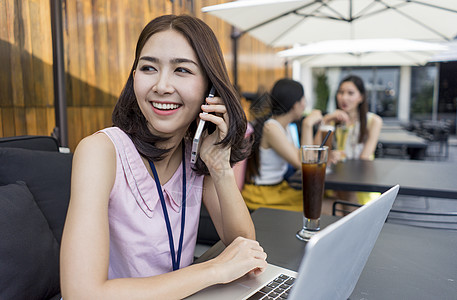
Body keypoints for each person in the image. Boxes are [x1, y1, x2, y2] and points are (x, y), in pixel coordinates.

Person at [60, 15, 267, 299]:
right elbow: (81, 293)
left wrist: (219, 166)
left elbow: (244, 248)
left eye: (181, 70)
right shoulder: (101, 151)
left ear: (211, 89)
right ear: (134, 79)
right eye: (148, 68)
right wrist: (213, 270)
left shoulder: (194, 154)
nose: (162, 85)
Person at [242, 78, 322, 211]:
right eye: (303, 100)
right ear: (295, 104)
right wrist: (307, 125)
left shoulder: (283, 127)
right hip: (263, 193)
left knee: (320, 197)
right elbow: (305, 164)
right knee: (317, 203)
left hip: (277, 188)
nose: (305, 105)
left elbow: (307, 158)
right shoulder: (271, 128)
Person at [317, 75, 383, 205]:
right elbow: (316, 150)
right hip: (337, 182)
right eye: (341, 92)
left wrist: (339, 155)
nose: (344, 97)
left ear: (361, 97)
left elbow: (364, 158)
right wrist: (326, 120)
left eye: (350, 93)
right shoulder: (334, 120)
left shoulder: (373, 121)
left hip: (361, 183)